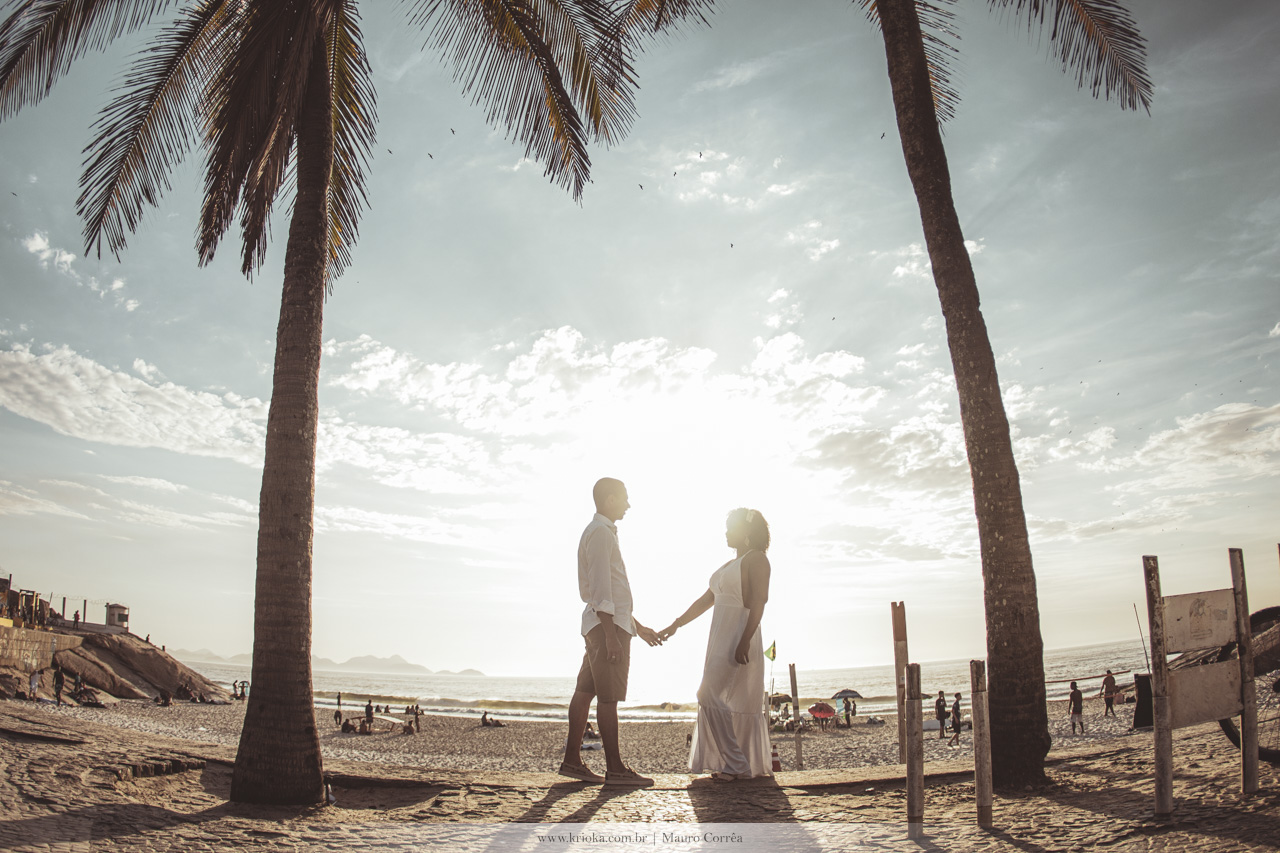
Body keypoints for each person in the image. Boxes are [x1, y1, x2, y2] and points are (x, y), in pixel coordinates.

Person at [560, 477, 664, 787]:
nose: (628, 504)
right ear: (608, 500)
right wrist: (610, 635)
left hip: (605, 624)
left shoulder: (599, 533)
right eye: (624, 499)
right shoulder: (601, 534)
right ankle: (616, 769)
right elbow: (603, 590)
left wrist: (637, 626)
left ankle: (572, 761)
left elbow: (610, 592)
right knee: (608, 698)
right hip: (606, 628)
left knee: (585, 691)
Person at [661, 507, 774, 782]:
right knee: (718, 697)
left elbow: (759, 602)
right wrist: (676, 623)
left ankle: (737, 764)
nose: (725, 533)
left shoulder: (757, 560)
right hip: (720, 636)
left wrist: (745, 640)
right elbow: (704, 601)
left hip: (739, 634)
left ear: (746, 531)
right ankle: (734, 764)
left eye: (730, 527)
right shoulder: (727, 566)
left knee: (707, 693)